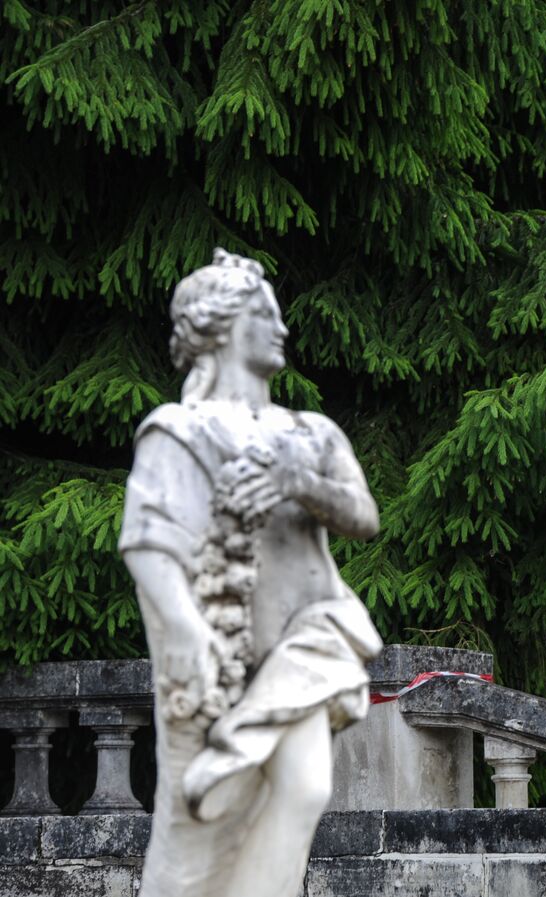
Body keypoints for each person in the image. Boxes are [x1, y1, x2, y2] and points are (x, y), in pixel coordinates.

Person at [120, 249, 383, 897]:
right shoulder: (179, 430)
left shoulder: (311, 431)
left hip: (309, 631)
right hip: (223, 647)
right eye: (264, 313)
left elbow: (363, 515)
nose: (281, 326)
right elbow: (148, 542)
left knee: (306, 785)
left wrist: (299, 481)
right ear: (224, 325)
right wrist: (182, 630)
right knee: (200, 832)